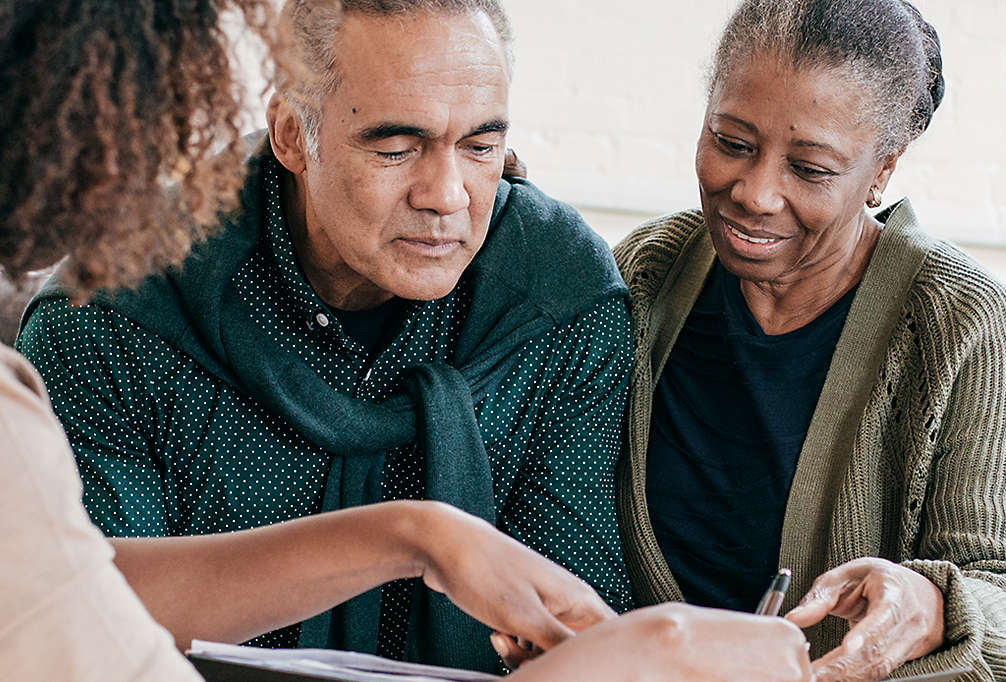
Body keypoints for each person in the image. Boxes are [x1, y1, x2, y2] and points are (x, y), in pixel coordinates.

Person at [18, 0, 634, 673]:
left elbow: (580, 617)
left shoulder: (559, 292)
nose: (447, 195)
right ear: (289, 133)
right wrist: (414, 537)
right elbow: (82, 620)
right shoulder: (113, 308)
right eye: (397, 148)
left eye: (480, 146)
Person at [614, 0, 1006, 680]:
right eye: (732, 142)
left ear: (882, 169)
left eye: (809, 169)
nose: (755, 193)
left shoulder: (965, 323)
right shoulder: (646, 272)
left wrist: (933, 603)